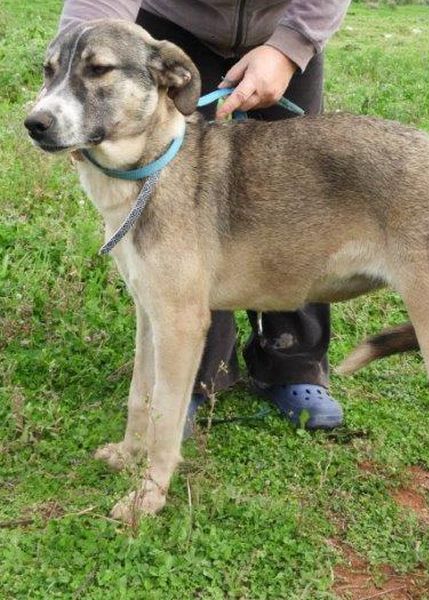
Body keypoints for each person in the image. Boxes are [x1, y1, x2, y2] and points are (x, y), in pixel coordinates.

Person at [59, 0, 351, 430]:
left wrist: (291, 47)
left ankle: (293, 362)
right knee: (180, 200)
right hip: (177, 22)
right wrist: (72, 72)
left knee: (297, 195)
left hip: (284, 20)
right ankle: (198, 372)